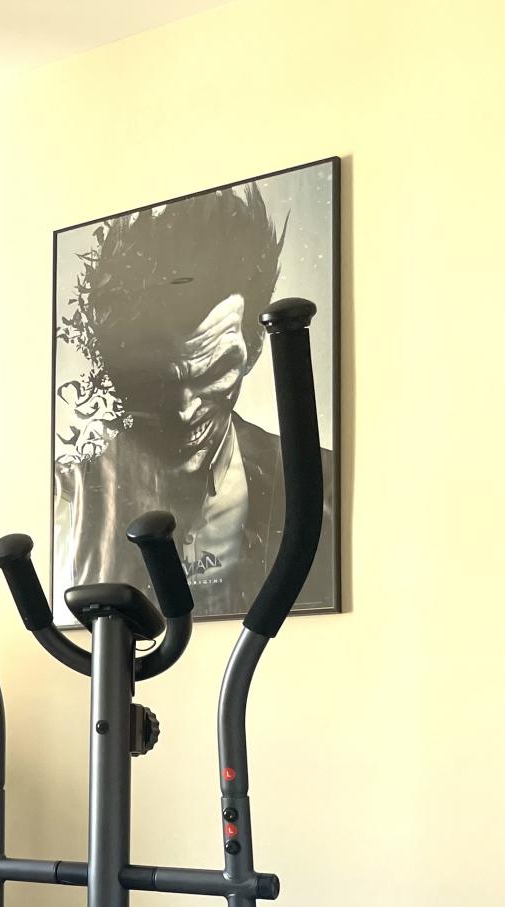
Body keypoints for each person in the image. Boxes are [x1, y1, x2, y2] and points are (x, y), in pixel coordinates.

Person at [53, 185, 334, 618]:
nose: (184, 409)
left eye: (214, 370)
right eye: (157, 380)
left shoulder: (319, 484)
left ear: (254, 349)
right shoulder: (70, 496)